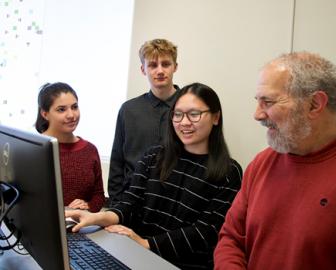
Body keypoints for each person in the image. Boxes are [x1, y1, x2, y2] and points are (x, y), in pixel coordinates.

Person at [214, 52, 336, 269]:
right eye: (258, 102)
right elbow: (231, 238)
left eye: (267, 102)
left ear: (314, 104)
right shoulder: (262, 163)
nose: (257, 114)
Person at [66, 83, 243, 269]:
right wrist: (95, 218)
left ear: (215, 117)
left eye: (194, 114)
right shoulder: (154, 156)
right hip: (137, 254)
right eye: (178, 114)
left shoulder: (229, 173)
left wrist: (146, 244)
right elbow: (130, 203)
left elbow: (205, 232)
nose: (184, 122)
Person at [108, 38, 181, 206]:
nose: (160, 71)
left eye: (166, 64)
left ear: (175, 67)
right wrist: (116, 204)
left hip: (174, 203)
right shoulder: (128, 110)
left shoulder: (190, 107)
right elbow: (117, 162)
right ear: (143, 69)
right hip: (131, 201)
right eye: (153, 65)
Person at [35, 82, 105, 212]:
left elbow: (99, 196)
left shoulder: (90, 150)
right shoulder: (33, 149)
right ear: (45, 114)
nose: (71, 115)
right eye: (61, 109)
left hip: (80, 226)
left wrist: (86, 206)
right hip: (43, 226)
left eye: (74, 107)